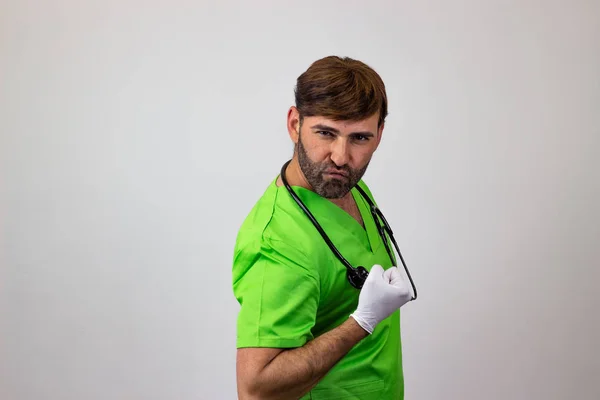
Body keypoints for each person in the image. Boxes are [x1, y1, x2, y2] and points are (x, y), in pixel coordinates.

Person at [232, 55, 415, 400]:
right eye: (325, 133)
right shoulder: (280, 240)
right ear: (294, 124)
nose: (341, 157)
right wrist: (361, 322)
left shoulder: (351, 188)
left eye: (359, 138)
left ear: (379, 136)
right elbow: (256, 389)